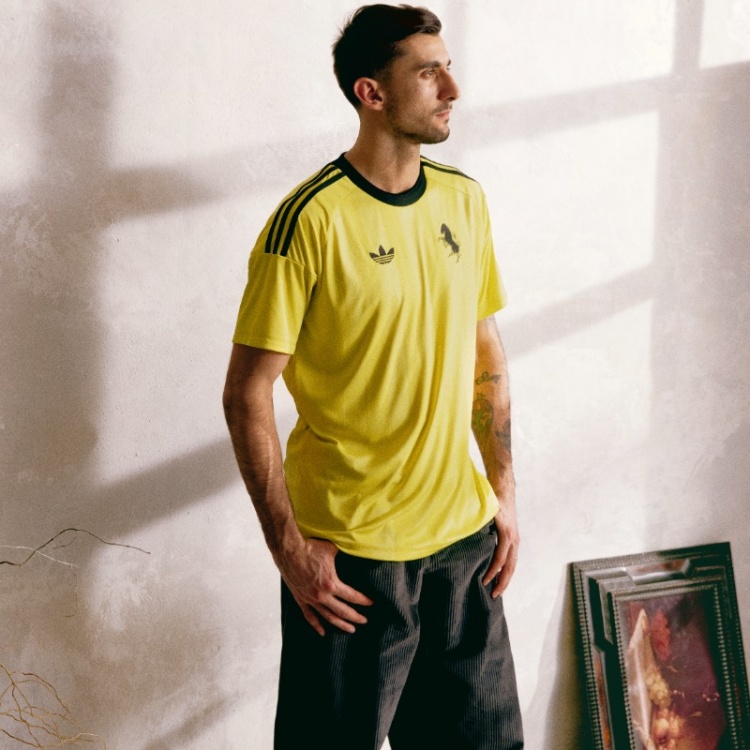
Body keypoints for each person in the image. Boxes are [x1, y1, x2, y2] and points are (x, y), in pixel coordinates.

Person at [223, 4, 524, 749]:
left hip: (464, 546)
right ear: (372, 92)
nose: (452, 88)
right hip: (353, 562)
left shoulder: (464, 199)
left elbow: (484, 350)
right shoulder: (308, 222)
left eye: (448, 67)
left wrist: (503, 491)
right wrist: (289, 549)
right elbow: (247, 392)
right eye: (429, 73)